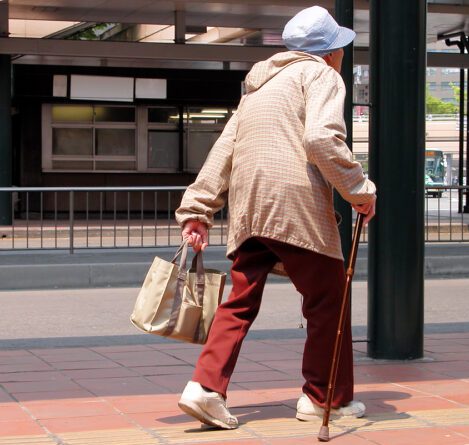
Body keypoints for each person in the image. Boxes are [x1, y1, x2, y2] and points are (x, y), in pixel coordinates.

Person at [175, 5, 377, 430]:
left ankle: (205, 388)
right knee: (328, 301)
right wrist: (359, 190)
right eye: (339, 47)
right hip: (296, 206)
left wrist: (197, 209)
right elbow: (322, 138)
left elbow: (223, 152)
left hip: (250, 208)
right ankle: (325, 399)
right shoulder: (321, 75)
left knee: (239, 300)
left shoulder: (257, 88)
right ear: (329, 51)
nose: (340, 54)